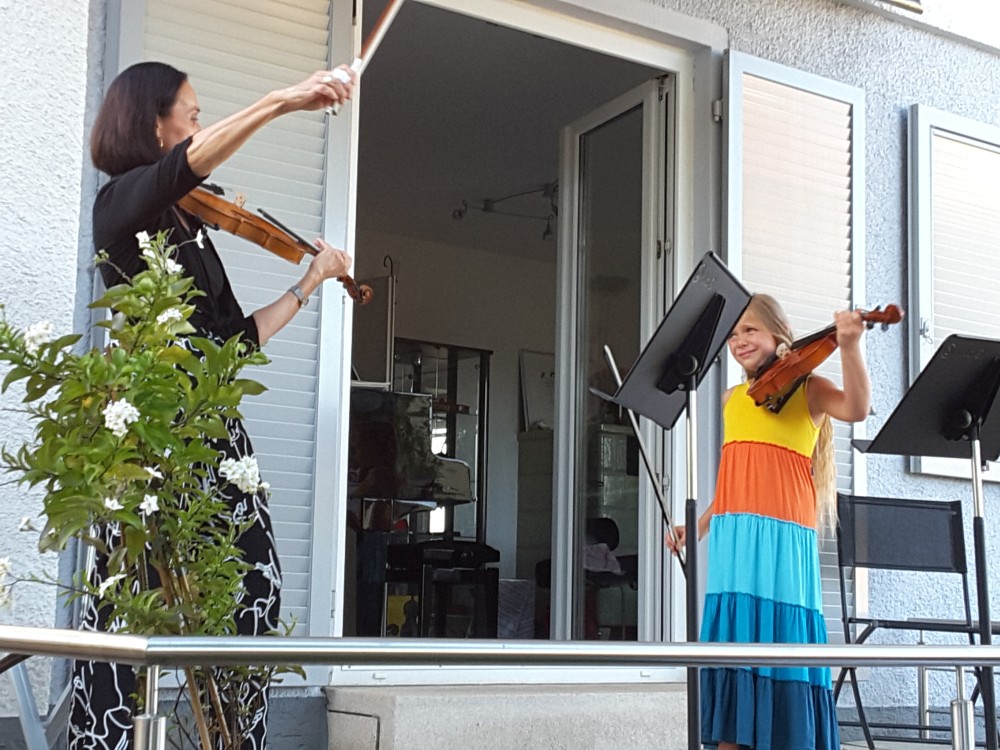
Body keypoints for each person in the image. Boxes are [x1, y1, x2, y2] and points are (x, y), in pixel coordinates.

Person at [70, 61, 357, 749]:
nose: (199, 123)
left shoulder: (186, 226)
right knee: (130, 609)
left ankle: (232, 739)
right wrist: (284, 98)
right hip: (153, 435)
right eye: (191, 113)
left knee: (249, 593)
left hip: (214, 432)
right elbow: (182, 169)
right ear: (154, 123)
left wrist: (310, 280)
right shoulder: (121, 206)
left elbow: (230, 344)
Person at [668, 293, 870, 750]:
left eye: (750, 330)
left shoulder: (809, 388)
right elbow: (737, 480)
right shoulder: (731, 399)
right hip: (735, 542)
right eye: (734, 334)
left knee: (780, 646)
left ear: (779, 335)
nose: (739, 340)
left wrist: (851, 346)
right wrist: (697, 526)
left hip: (782, 544)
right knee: (735, 650)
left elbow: (857, 408)